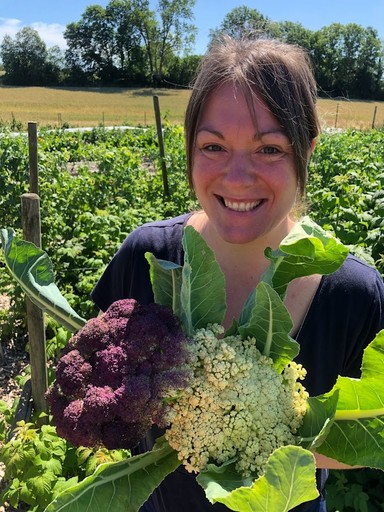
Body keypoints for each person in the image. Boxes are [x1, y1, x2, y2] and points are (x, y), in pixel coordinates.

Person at [91, 36, 384, 512]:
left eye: (269, 149)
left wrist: (270, 436)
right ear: (188, 149)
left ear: (306, 151)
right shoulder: (147, 257)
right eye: (214, 146)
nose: (238, 177)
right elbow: (100, 371)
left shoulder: (354, 295)